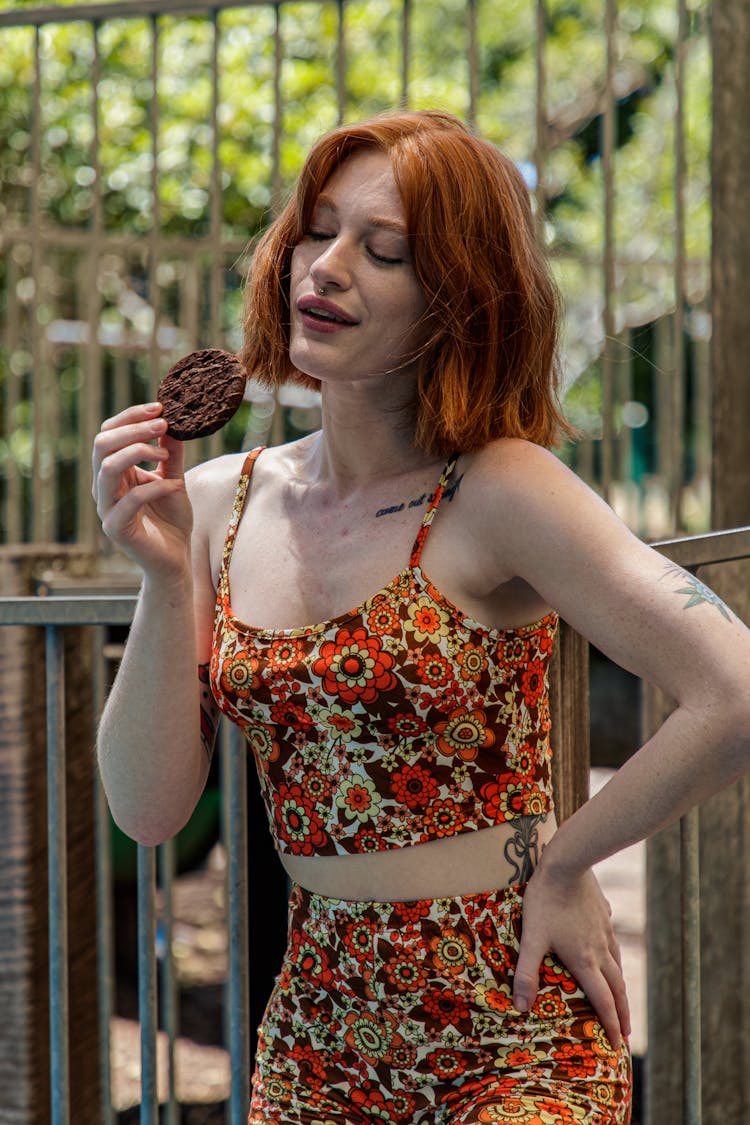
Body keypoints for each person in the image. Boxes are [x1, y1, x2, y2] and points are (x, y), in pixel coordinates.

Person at [92, 109, 750, 1125]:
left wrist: (569, 861)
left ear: (459, 300)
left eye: (385, 250)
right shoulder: (220, 502)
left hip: (513, 1021)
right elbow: (146, 812)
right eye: (317, 231)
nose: (330, 266)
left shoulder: (500, 490)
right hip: (314, 1030)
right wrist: (158, 574)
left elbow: (733, 690)